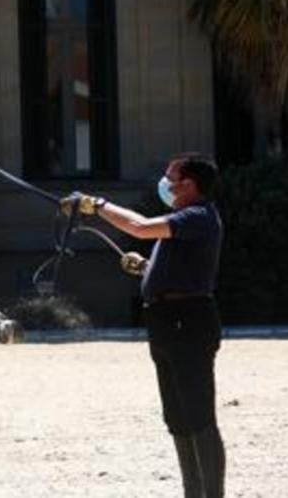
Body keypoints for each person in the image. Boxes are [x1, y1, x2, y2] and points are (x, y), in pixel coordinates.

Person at [65, 153, 225, 498]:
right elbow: (181, 267)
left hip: (188, 320)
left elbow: (139, 227)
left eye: (171, 179)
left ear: (189, 185)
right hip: (165, 320)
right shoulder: (183, 220)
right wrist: (145, 267)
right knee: (177, 417)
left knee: (199, 415)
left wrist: (97, 205)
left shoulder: (198, 216)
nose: (165, 184)